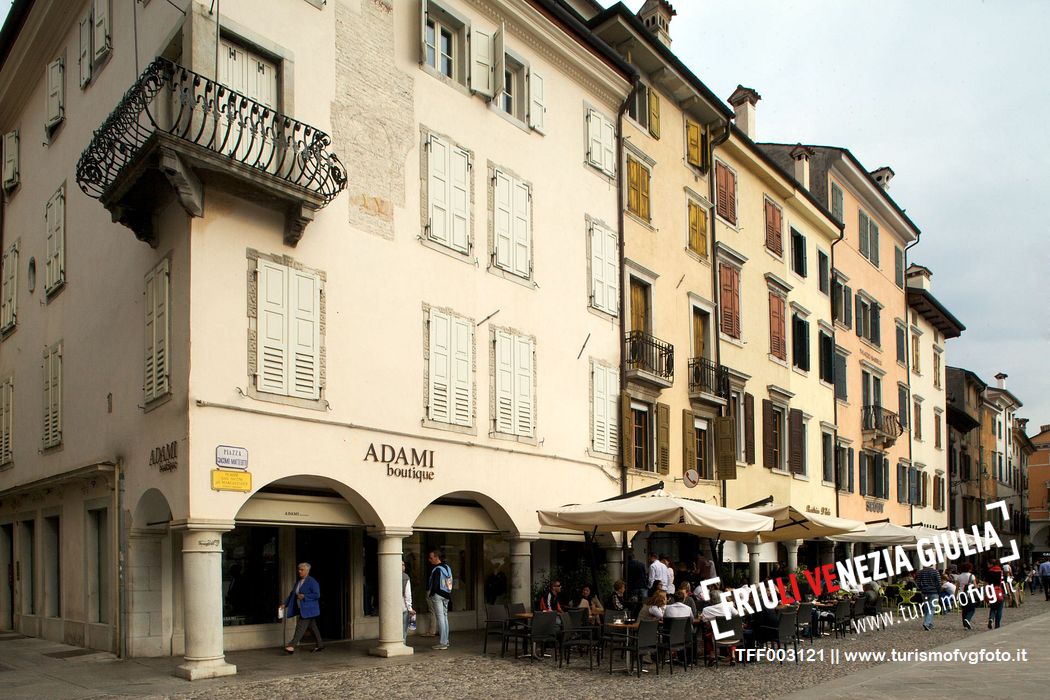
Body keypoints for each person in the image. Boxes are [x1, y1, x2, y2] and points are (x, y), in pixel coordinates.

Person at [282, 562, 323, 653]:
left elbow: (317, 595)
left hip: (309, 610)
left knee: (300, 626)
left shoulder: (312, 581)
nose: (299, 571)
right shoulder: (299, 582)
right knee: (313, 627)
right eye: (299, 569)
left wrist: (305, 596)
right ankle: (320, 645)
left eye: (302, 570)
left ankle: (292, 646)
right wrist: (285, 604)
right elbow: (292, 594)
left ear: (307, 571)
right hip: (303, 609)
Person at [427, 549, 453, 650]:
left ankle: (442, 643)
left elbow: (435, 584)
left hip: (438, 595)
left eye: (431, 558)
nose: (430, 560)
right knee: (445, 617)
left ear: (437, 557)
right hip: (446, 594)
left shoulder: (437, 569)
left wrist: (431, 594)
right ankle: (446, 641)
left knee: (440, 618)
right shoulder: (447, 567)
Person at [916, 562, 941, 631]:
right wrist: (939, 591)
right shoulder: (935, 572)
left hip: (924, 592)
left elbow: (918, 583)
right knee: (932, 608)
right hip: (934, 592)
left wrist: (922, 588)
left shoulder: (920, 572)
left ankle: (929, 623)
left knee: (927, 608)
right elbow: (938, 583)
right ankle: (926, 623)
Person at [956, 562, 978, 629]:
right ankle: (967, 619)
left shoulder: (959, 576)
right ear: (969, 569)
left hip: (962, 594)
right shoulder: (972, 576)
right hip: (970, 595)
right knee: (972, 609)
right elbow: (975, 586)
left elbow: (957, 587)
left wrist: (955, 596)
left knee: (964, 609)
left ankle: (965, 625)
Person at [986, 559, 1004, 629]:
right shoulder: (1001, 571)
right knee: (999, 608)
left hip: (991, 591)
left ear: (991, 564)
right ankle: (997, 624)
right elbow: (1002, 582)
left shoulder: (989, 572)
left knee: (993, 607)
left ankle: (991, 619)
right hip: (998, 590)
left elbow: (987, 583)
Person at [402, 559, 414, 643]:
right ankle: (403, 644)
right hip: (403, 607)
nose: (403, 566)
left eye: (404, 565)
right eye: (402, 564)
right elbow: (407, 594)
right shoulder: (405, 577)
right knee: (403, 628)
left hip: (391, 609)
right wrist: (410, 608)